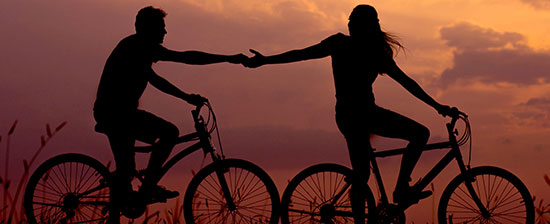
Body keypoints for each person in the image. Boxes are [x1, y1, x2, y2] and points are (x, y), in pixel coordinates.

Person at [243, 4, 453, 222]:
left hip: (351, 116)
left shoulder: (364, 50)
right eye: (350, 20)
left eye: (354, 20)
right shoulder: (353, 47)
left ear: (366, 25)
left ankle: (389, 198)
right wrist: (266, 60)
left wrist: (437, 106)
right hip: (361, 115)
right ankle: (401, 190)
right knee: (414, 138)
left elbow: (407, 83)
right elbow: (302, 54)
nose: (350, 24)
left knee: (363, 172)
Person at [93, 6, 246, 207]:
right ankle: (147, 187)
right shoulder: (139, 46)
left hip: (120, 114)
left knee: (127, 172)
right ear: (148, 28)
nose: (165, 32)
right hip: (116, 115)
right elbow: (187, 57)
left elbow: (155, 79)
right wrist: (228, 58)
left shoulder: (137, 49)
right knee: (169, 133)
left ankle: (132, 190)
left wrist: (186, 97)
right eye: (161, 27)